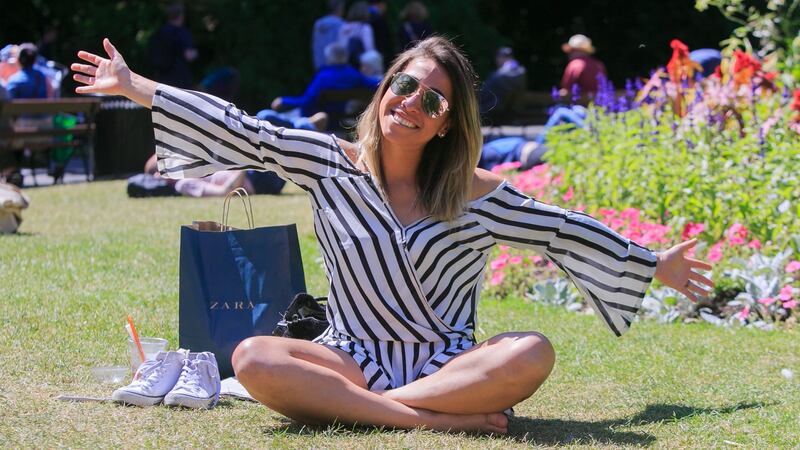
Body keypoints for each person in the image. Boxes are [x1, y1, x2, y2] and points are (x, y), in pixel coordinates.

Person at [73, 36, 713, 434]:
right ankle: (425, 421)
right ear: (385, 90)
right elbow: (245, 130)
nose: (412, 102)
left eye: (432, 101)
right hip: (349, 355)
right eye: (405, 85)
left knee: (532, 350)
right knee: (250, 357)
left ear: (445, 124)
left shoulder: (475, 193)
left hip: (449, 362)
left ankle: (389, 408)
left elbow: (562, 230)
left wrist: (657, 264)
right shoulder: (327, 161)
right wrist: (136, 87)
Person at [271, 42, 380, 117]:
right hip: (340, 118)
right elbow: (376, 84)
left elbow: (307, 101)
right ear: (346, 56)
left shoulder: (323, 76)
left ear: (329, 58)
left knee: (274, 116)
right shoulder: (354, 75)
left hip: (318, 116)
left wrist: (283, 100)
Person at [149, 3, 198, 88]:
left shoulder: (159, 33)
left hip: (162, 78)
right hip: (180, 78)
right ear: (181, 16)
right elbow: (189, 56)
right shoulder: (182, 33)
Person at [480, 46, 527, 124]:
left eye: (499, 57)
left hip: (497, 107)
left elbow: (484, 92)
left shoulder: (499, 74)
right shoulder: (519, 71)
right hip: (509, 107)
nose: (497, 60)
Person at [338, 1, 375, 69]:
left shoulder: (344, 27)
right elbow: (369, 48)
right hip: (362, 64)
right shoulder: (365, 28)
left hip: (346, 64)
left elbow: (341, 46)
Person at [311, 0, 346, 71]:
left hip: (319, 65)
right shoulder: (342, 24)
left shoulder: (318, 24)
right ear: (339, 9)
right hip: (336, 66)